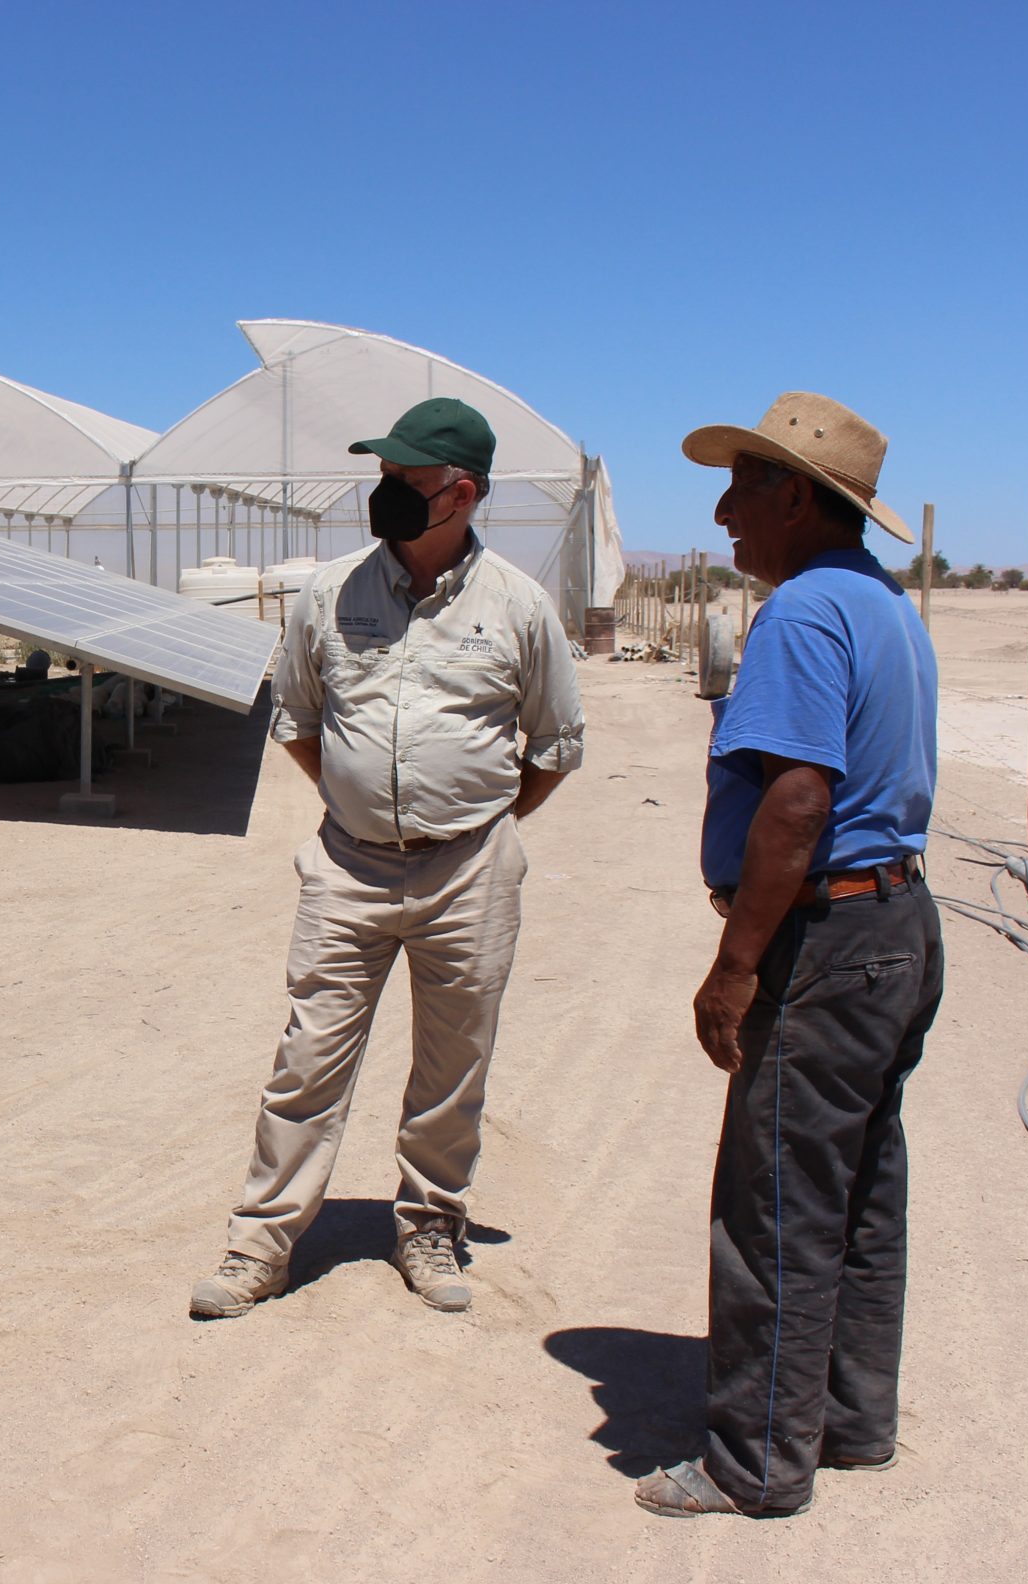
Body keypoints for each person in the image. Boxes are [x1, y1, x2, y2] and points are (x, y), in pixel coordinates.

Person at [189, 398, 584, 1319]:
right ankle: (261, 1242)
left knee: (454, 1064)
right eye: (384, 475)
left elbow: (554, 746)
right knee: (308, 1057)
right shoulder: (329, 595)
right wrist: (361, 803)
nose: (386, 491)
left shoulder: (519, 607)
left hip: (469, 871)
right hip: (348, 867)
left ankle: (430, 1225)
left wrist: (473, 822)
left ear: (463, 494)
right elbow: (299, 722)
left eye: (408, 480)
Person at [633, 392, 944, 1519]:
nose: (724, 514)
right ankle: (850, 1420)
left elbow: (798, 802)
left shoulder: (803, 613)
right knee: (857, 1185)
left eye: (742, 489)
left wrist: (736, 964)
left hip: (830, 940)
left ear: (798, 499)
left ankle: (756, 1460)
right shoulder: (883, 604)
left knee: (775, 1199)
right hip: (897, 927)